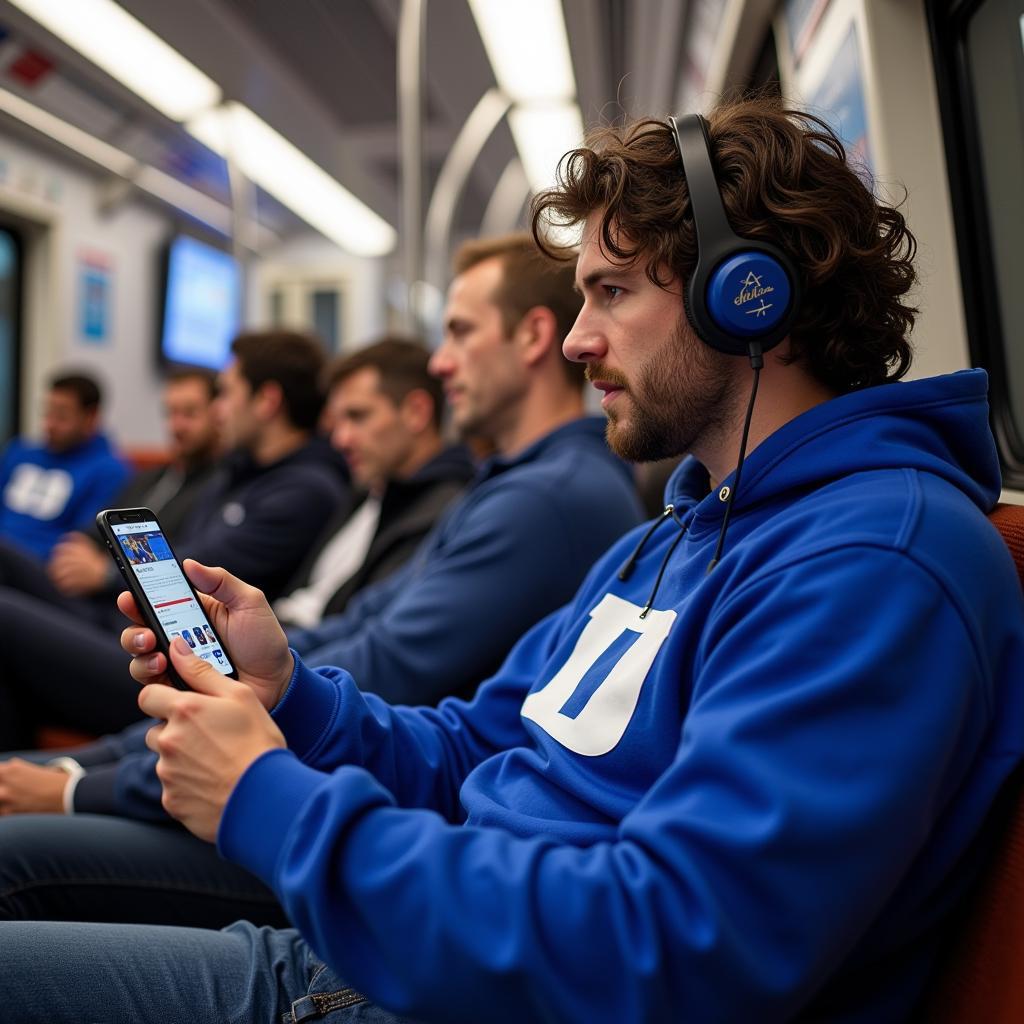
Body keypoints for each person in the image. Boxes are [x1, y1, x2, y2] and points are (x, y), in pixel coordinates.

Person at [4, 97, 1022, 1022]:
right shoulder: (667, 539)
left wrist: (268, 798)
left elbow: (672, 949)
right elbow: (470, 750)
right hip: (384, 958)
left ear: (746, 297)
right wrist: (294, 698)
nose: (578, 343)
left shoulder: (877, 563)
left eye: (612, 292)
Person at [0, 233, 642, 931]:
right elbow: (385, 655)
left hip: (372, 831)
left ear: (530, 337)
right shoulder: (516, 490)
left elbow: (389, 673)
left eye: (458, 331)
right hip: (355, 795)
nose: (440, 361)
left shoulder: (548, 502)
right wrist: (278, 683)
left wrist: (81, 785)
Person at [0, 330, 346, 750]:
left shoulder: (305, 489)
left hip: (184, 664)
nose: (219, 411)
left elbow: (196, 572)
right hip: (133, 626)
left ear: (267, 401)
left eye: (226, 394)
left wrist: (106, 575)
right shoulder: (237, 474)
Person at [274, 336, 475, 630]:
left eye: (358, 417)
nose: (340, 440)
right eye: (337, 422)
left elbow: (368, 638)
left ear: (416, 412)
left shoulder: (445, 509)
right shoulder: (367, 492)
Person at [0, 367, 221, 619]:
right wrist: (79, 552)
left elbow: (191, 563)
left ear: (219, 414)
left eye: (190, 414)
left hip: (118, 614)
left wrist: (106, 574)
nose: (176, 426)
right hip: (88, 594)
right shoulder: (151, 478)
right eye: (170, 413)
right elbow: (94, 530)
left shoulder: (219, 488)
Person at [0, 371, 131, 560]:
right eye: (47, 413)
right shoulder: (19, 452)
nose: (50, 424)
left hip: (36, 569)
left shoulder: (110, 472)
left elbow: (80, 546)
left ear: (90, 417)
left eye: (61, 416)